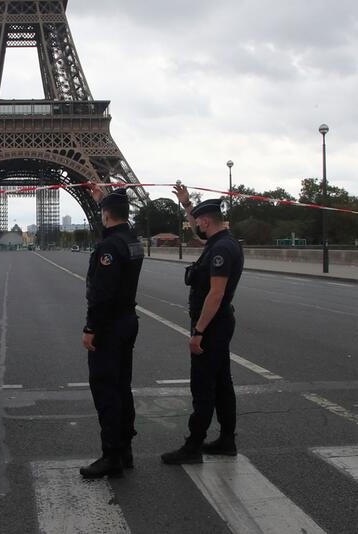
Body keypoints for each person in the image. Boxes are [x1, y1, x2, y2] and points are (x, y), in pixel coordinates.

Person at [162, 188, 245, 465]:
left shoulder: (220, 249)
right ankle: (227, 439)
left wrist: (198, 331)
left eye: (198, 222)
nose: (196, 226)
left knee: (203, 387)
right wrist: (187, 204)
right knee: (222, 383)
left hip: (212, 325)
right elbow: (199, 233)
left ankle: (193, 446)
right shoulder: (224, 241)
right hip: (221, 323)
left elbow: (216, 294)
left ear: (206, 222)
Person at [78, 184, 144, 479]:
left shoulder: (108, 247)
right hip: (128, 319)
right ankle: (125, 448)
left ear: (105, 215)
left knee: (105, 389)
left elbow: (101, 294)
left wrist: (91, 327)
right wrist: (102, 200)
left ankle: (111, 455)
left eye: (102, 212)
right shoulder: (132, 242)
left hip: (109, 325)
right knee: (122, 386)